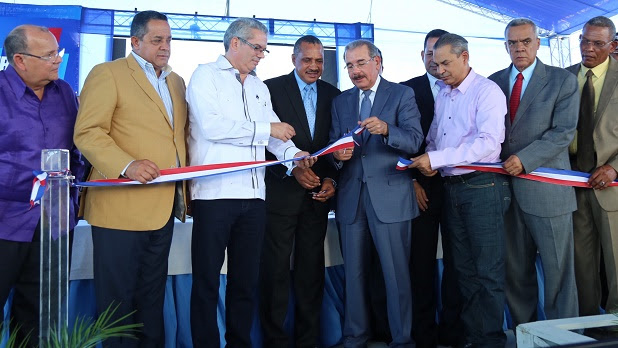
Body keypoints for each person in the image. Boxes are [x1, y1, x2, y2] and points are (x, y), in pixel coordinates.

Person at [185, 18, 315, 347]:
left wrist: (294, 153)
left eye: (264, 49)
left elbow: (275, 133)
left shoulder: (259, 86)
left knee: (245, 283)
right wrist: (267, 131)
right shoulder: (205, 76)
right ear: (235, 44)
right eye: (257, 47)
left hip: (255, 197)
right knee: (206, 282)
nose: (261, 55)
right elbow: (213, 127)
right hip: (214, 195)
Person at [73, 10, 187, 347]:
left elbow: (176, 138)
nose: (165, 46)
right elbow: (88, 132)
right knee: (116, 301)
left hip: (164, 207)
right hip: (120, 208)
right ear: (135, 42)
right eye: (156, 40)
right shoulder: (107, 74)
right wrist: (127, 165)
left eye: (168, 39)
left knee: (151, 300)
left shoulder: (176, 81)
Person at [409, 33, 509, 347]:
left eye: (446, 63)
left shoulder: (487, 92)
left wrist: (435, 159)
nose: (439, 71)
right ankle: (472, 337)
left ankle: (490, 340)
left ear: (465, 57)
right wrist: (418, 161)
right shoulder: (444, 94)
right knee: (462, 272)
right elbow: (436, 139)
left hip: (482, 187)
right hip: (452, 188)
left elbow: (488, 145)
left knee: (487, 272)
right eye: (435, 65)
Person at [330, 39, 423, 348]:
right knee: (353, 276)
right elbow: (333, 146)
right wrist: (337, 156)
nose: (355, 71)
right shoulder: (341, 102)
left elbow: (414, 142)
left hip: (391, 199)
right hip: (351, 198)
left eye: (360, 63)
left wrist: (387, 130)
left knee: (396, 276)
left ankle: (402, 340)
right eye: (349, 65)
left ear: (378, 62)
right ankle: (354, 337)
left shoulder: (402, 94)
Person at [487, 18, 580, 326]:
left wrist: (524, 160)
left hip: (548, 194)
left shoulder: (562, 81)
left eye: (526, 41)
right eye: (513, 43)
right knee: (515, 273)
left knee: (559, 276)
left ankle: (565, 337)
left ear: (538, 43)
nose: (520, 48)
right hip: (504, 194)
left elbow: (563, 133)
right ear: (505, 46)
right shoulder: (493, 82)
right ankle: (526, 335)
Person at [0, 24, 82, 347]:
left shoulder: (65, 93)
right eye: (48, 55)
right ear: (19, 60)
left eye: (57, 53)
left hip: (55, 223)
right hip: (6, 221)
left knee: (39, 315)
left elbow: (77, 151)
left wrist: (70, 198)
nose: (56, 60)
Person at [259, 35, 341, 348]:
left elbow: (337, 146)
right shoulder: (269, 89)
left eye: (319, 61)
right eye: (307, 60)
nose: (314, 66)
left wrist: (332, 180)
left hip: (318, 198)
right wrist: (294, 168)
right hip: (280, 195)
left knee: (311, 274)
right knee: (275, 273)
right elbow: (264, 142)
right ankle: (275, 341)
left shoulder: (335, 96)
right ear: (294, 59)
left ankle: (309, 340)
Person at [400, 29, 464, 348]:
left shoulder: (464, 89)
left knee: (457, 263)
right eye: (429, 54)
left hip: (459, 188)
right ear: (422, 55)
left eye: (440, 56)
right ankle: (423, 334)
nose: (434, 62)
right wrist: (409, 181)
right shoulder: (405, 90)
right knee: (421, 264)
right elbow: (393, 143)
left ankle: (454, 331)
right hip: (420, 191)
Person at [566, 15, 618, 317]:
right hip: (570, 183)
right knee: (581, 265)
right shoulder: (564, 77)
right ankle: (587, 326)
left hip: (609, 185)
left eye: (597, 43)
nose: (588, 48)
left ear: (612, 45)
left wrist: (613, 168)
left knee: (615, 264)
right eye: (584, 40)